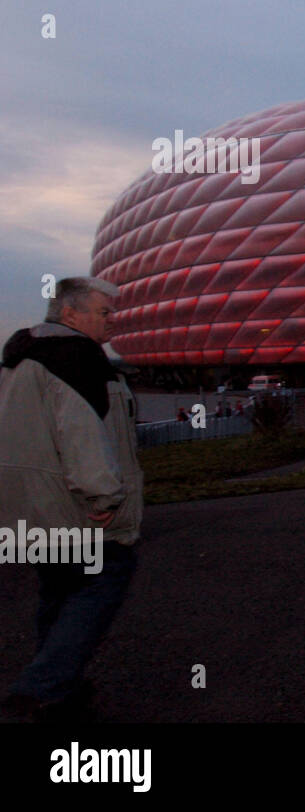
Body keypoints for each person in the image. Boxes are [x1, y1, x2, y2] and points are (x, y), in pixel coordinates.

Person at [0, 277, 142, 722]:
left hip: (35, 507)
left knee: (59, 595)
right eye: (104, 312)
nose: (112, 320)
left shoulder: (19, 360)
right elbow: (82, 437)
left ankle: (61, 690)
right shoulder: (76, 359)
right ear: (70, 315)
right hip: (77, 508)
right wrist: (103, 495)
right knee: (100, 585)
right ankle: (38, 690)